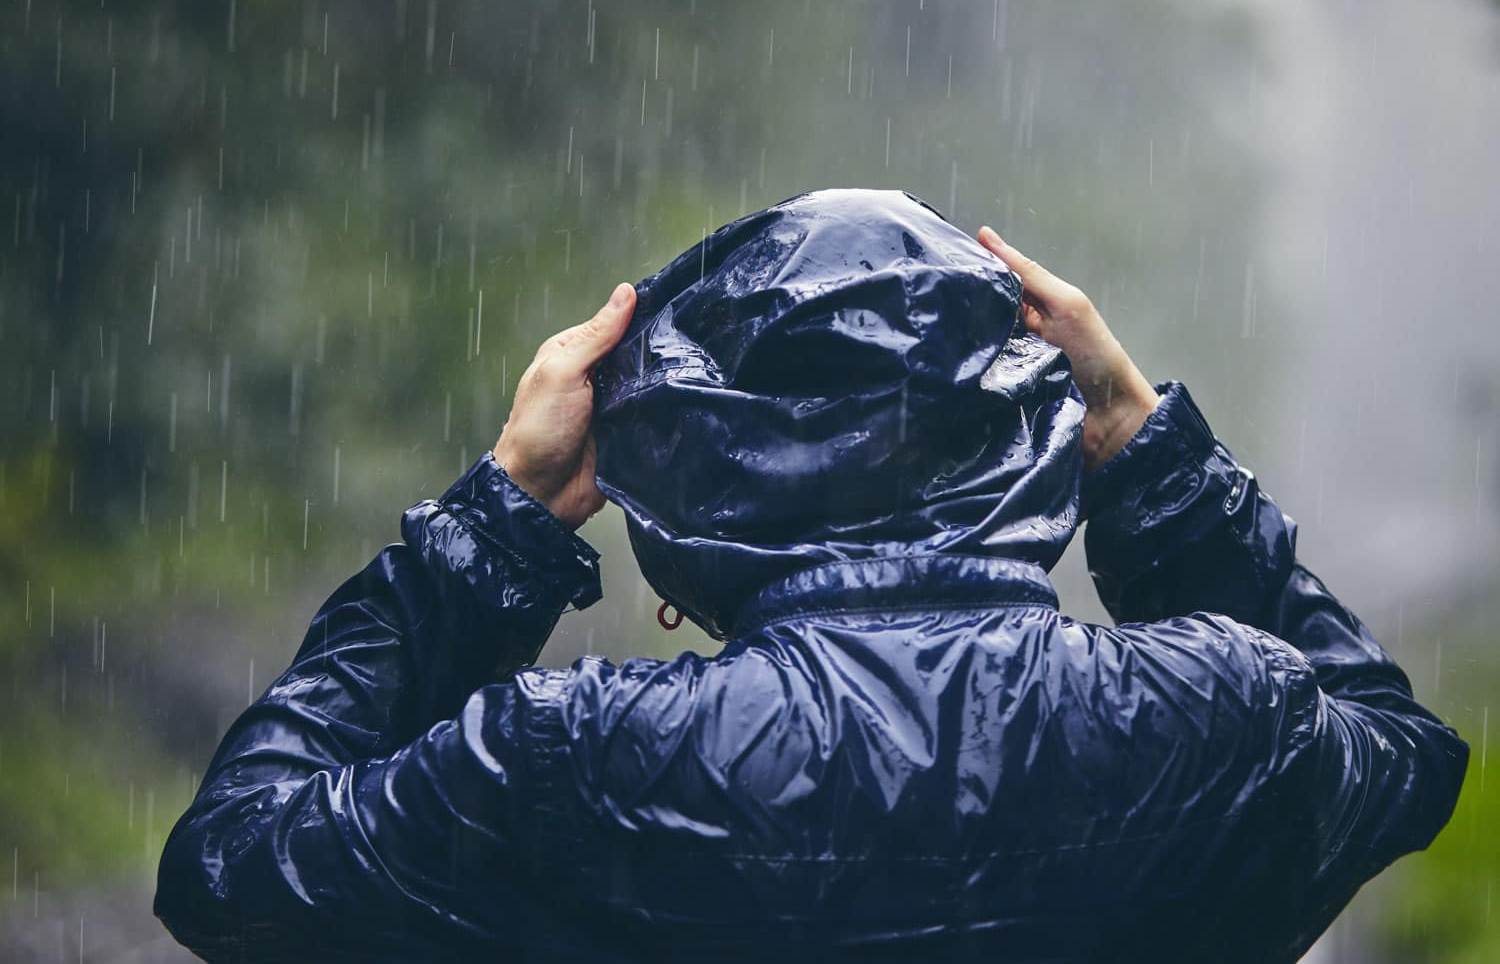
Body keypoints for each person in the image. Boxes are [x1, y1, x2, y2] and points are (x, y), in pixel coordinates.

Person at [154, 189, 1467, 963]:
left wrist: (497, 519)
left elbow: (230, 872)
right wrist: (1143, 446)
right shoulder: (1228, 720)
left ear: (690, 484)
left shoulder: (578, 759)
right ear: (1032, 431)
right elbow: (1406, 754)